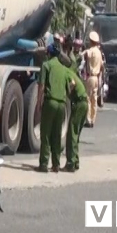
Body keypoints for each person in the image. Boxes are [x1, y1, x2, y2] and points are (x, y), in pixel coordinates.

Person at [37, 42, 71, 172]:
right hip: (61, 104)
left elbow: (41, 86)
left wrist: (38, 103)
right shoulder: (63, 68)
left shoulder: (46, 65)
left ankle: (44, 164)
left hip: (50, 102)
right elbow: (68, 88)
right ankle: (56, 164)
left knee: (45, 133)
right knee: (57, 135)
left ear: (48, 53)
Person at [64, 59, 88, 173]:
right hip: (84, 102)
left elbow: (72, 83)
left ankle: (71, 163)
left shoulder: (66, 72)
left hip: (79, 103)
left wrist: (67, 93)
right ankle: (76, 161)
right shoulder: (72, 72)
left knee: (72, 133)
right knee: (76, 134)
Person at [82, 32, 103, 128]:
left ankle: (88, 120)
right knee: (94, 99)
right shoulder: (99, 52)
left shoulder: (91, 51)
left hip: (90, 76)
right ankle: (93, 119)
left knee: (88, 99)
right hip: (97, 77)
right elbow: (102, 66)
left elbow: (84, 55)